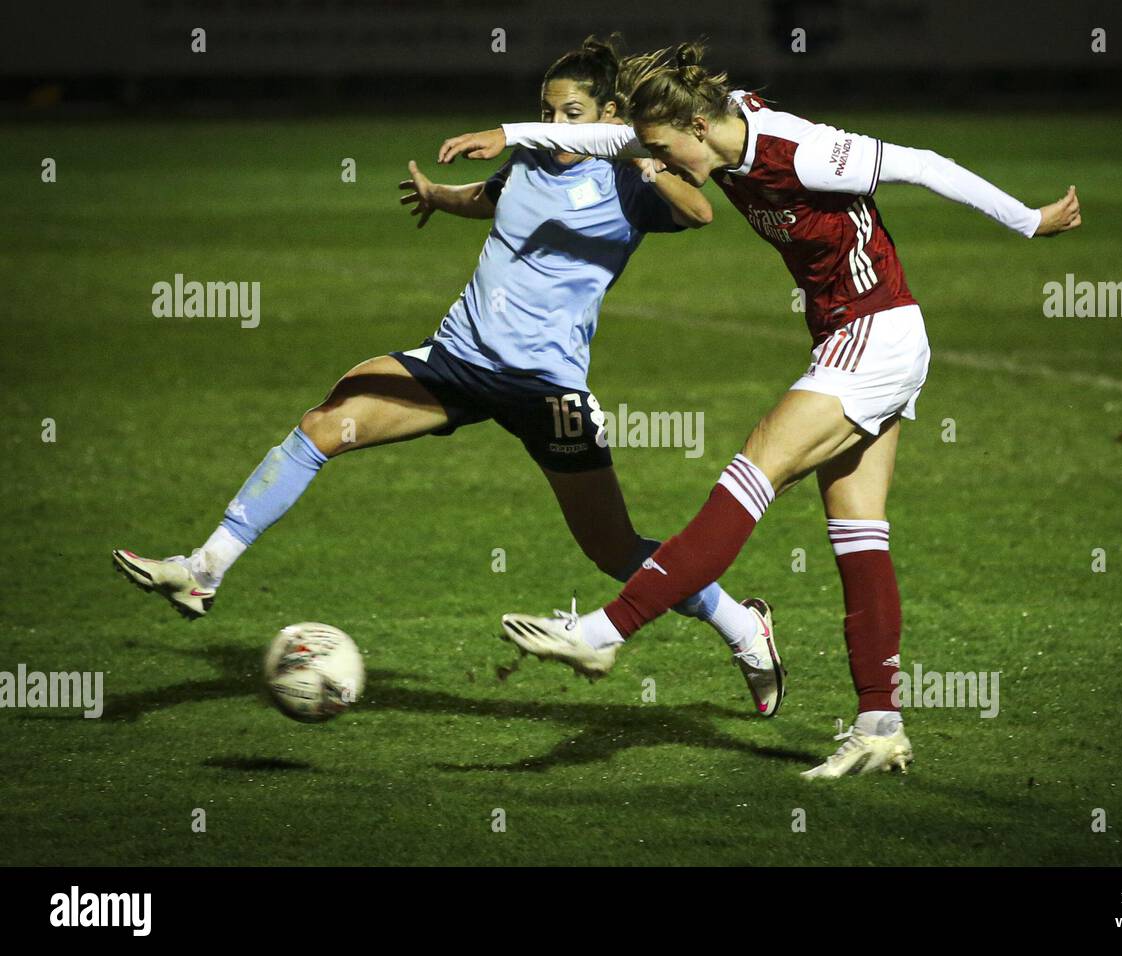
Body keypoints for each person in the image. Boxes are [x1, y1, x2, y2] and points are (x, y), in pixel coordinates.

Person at [438, 42, 1082, 777]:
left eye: (664, 153)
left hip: (876, 332)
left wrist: (1028, 221)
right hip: (857, 334)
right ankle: (880, 725)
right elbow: (613, 138)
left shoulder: (803, 152)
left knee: (757, 464)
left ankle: (605, 631)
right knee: (859, 534)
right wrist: (514, 136)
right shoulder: (703, 134)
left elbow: (924, 162)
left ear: (699, 129)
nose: (662, 167)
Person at [112, 37, 786, 717]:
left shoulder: (629, 182)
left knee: (611, 547)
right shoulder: (529, 158)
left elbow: (699, 212)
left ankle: (741, 625)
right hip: (457, 364)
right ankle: (204, 569)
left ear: (611, 112)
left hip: (546, 391)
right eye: (546, 112)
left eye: (571, 113)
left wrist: (630, 149)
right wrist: (440, 195)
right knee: (325, 424)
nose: (553, 127)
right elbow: (494, 199)